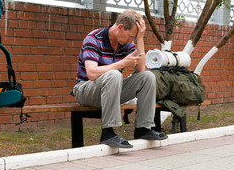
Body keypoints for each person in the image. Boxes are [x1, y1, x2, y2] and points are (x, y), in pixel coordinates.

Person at [72, 9, 168, 148]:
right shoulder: (94, 38)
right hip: (85, 91)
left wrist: (139, 39)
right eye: (130, 37)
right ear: (120, 27)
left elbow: (141, 69)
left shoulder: (126, 43)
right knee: (115, 74)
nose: (131, 41)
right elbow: (91, 73)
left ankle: (143, 129)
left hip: (110, 90)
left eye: (133, 38)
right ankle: (108, 133)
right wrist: (122, 63)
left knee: (147, 76)